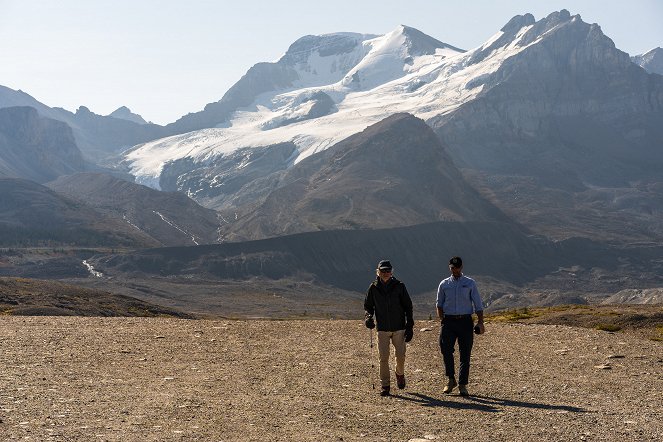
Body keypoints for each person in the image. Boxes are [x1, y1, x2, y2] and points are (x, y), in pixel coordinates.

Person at [436, 256, 485, 396]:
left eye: (457, 268)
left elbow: (478, 304)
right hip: (449, 321)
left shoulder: (470, 283)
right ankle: (451, 379)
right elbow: (439, 303)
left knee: (465, 353)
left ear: (461, 267)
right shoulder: (444, 284)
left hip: (465, 322)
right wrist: (442, 320)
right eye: (452, 268)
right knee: (446, 350)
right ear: (449, 267)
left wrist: (480, 322)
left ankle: (463, 384)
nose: (454, 270)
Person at [364, 260, 414, 396]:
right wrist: (368, 317)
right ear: (378, 272)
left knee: (400, 356)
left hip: (399, 327)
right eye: (383, 271)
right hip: (382, 328)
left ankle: (399, 373)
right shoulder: (373, 288)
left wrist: (410, 326)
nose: (385, 273)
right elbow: (368, 306)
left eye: (388, 271)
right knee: (383, 358)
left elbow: (408, 307)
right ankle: (385, 385)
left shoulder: (400, 286)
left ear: (392, 272)